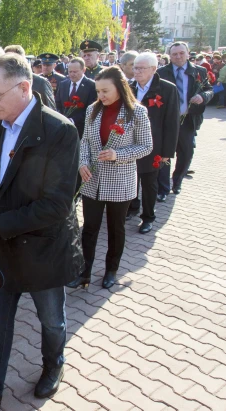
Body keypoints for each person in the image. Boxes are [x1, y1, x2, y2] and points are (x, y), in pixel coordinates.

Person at [0, 53, 82, 411]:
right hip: (3, 248)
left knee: (51, 320)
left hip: (43, 249)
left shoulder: (60, 130)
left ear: (24, 88)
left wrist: (0, 223)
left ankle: (53, 365)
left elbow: (57, 205)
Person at [70, 66, 152, 291]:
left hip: (120, 180)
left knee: (116, 229)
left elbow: (146, 146)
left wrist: (119, 155)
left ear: (120, 86)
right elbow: (85, 141)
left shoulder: (136, 112)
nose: (101, 96)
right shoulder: (92, 110)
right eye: (98, 91)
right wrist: (82, 163)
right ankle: (83, 271)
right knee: (89, 228)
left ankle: (111, 271)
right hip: (93, 179)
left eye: (105, 91)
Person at [126, 52, 180, 234]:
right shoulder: (128, 87)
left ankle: (148, 217)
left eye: (141, 68)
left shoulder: (167, 89)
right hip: (130, 144)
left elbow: (172, 123)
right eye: (135, 67)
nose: (137, 71)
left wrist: (167, 152)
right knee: (131, 179)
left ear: (153, 69)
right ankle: (132, 208)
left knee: (149, 183)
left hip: (154, 145)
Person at [157, 42, 213, 199]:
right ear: (170, 56)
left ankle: (177, 181)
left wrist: (203, 96)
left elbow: (209, 90)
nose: (178, 56)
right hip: (166, 122)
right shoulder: (161, 72)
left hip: (188, 120)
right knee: (164, 154)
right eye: (174, 54)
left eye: (181, 53)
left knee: (186, 153)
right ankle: (163, 189)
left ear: (188, 54)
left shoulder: (199, 71)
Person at [55, 57, 97, 139]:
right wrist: (61, 118)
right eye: (70, 71)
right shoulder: (63, 84)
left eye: (75, 72)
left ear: (83, 70)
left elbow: (91, 109)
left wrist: (72, 120)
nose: (72, 74)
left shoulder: (91, 85)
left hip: (81, 131)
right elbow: (58, 103)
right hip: (63, 129)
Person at [4, 45, 56, 110]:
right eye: (5, 60)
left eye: (11, 61)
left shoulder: (40, 82)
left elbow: (51, 110)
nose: (8, 64)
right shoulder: (2, 83)